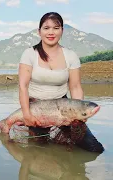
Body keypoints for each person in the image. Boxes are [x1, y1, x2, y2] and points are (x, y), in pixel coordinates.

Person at [18, 12, 104, 153]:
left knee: (94, 149)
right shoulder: (29, 53)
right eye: (46, 28)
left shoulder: (71, 55)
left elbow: (75, 87)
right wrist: (27, 115)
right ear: (39, 32)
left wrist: (78, 112)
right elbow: (23, 86)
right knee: (38, 150)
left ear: (62, 31)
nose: (51, 32)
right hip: (36, 108)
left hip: (64, 108)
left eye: (56, 28)